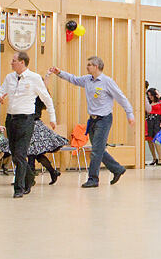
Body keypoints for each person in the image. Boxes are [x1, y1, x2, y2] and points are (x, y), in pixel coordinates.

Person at [50, 56, 135, 188]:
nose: (87, 66)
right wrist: (59, 73)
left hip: (104, 119)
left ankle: (93, 179)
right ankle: (117, 169)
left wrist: (129, 113)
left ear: (96, 67)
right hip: (93, 120)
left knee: (96, 151)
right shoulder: (87, 80)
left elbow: (121, 97)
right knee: (98, 149)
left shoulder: (107, 82)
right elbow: (73, 79)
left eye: (89, 64)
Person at [0, 51, 56, 198]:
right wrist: (0, 97)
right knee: (15, 154)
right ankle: (30, 177)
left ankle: (19, 188)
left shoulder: (34, 78)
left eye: (14, 60)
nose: (11, 63)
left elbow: (47, 98)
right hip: (11, 119)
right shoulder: (9, 77)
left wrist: (52, 117)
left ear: (22, 62)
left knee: (20, 153)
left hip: (26, 120)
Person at [25, 96, 65, 186]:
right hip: (33, 124)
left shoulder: (36, 96)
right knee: (35, 153)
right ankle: (52, 172)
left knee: (32, 152)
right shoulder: (40, 95)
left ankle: (30, 178)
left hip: (33, 124)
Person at [145, 87, 161, 166]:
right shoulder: (148, 103)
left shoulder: (160, 102)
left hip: (157, 121)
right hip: (149, 121)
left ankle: (160, 158)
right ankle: (154, 158)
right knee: (149, 140)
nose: (150, 97)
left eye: (151, 95)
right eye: (148, 95)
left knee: (156, 140)